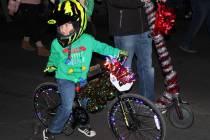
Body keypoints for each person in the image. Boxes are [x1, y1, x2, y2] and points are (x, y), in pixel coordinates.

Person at [42, 0, 127, 139]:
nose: (63, 29)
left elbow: (102, 47)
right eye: (60, 26)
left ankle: (81, 124)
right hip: (65, 78)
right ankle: (52, 130)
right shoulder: (56, 43)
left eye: (67, 25)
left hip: (82, 77)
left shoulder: (87, 40)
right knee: (67, 106)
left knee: (87, 102)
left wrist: (117, 52)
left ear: (76, 24)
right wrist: (51, 65)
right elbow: (54, 57)